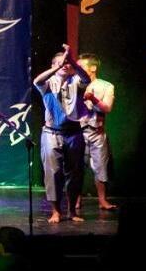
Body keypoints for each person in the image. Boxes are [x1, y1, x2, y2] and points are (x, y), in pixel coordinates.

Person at [32, 44, 92, 223]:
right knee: (53, 173)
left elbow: (86, 78)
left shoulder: (77, 82)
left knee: (75, 173)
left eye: (67, 63)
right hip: (51, 133)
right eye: (61, 63)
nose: (65, 65)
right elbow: (36, 81)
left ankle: (72, 211)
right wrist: (57, 66)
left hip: (74, 133)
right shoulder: (48, 84)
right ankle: (56, 211)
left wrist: (72, 60)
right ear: (53, 65)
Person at [76, 53, 117, 212]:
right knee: (76, 167)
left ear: (92, 68)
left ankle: (102, 200)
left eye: (81, 66)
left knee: (100, 167)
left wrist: (93, 99)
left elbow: (107, 108)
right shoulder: (74, 83)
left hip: (96, 132)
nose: (78, 69)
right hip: (77, 132)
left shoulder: (106, 86)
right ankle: (75, 200)